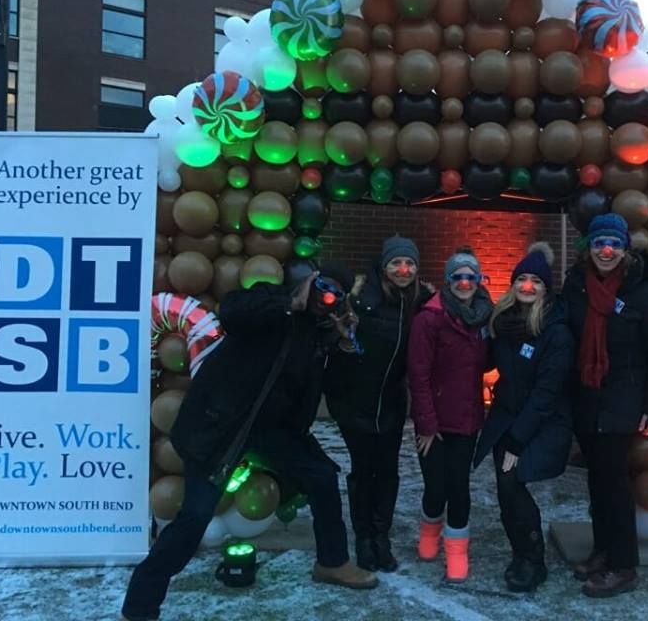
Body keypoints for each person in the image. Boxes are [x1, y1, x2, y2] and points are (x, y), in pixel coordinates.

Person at [121, 263, 375, 621]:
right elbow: (232, 311)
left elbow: (333, 389)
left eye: (336, 294)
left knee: (321, 477)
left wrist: (345, 344)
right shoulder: (272, 300)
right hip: (219, 426)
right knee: (194, 517)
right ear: (309, 282)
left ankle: (332, 562)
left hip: (272, 429)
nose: (326, 298)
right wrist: (289, 302)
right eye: (323, 287)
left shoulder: (321, 333)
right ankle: (139, 607)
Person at [562, 213, 648, 599]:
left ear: (625, 248)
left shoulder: (647, 290)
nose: (606, 251)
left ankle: (624, 565)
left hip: (623, 400)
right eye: (599, 243)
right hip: (586, 397)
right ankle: (603, 549)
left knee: (614, 483)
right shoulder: (577, 285)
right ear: (589, 248)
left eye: (614, 243)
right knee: (596, 480)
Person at [324, 236, 429, 573]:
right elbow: (330, 335)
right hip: (355, 400)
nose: (403, 270)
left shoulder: (420, 300)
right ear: (384, 266)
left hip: (391, 403)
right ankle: (364, 537)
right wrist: (342, 343)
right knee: (363, 470)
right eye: (396, 263)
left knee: (387, 472)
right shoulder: (360, 298)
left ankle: (381, 537)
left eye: (410, 263)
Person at [473, 242, 573, 592]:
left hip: (543, 421)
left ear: (546, 289)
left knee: (513, 482)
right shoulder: (503, 323)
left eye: (536, 281)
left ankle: (533, 559)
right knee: (504, 488)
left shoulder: (556, 331)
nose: (528, 286)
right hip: (507, 414)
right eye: (522, 279)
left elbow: (547, 392)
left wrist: (517, 439)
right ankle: (519, 552)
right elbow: (485, 361)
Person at [408, 246, 493, 583]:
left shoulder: (484, 317)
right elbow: (418, 375)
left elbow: (487, 360)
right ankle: (429, 532)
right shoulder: (429, 318)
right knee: (436, 487)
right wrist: (427, 424)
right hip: (435, 422)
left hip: (467, 418)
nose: (464, 282)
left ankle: (457, 551)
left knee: (459, 487)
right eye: (457, 276)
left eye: (471, 276)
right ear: (447, 280)